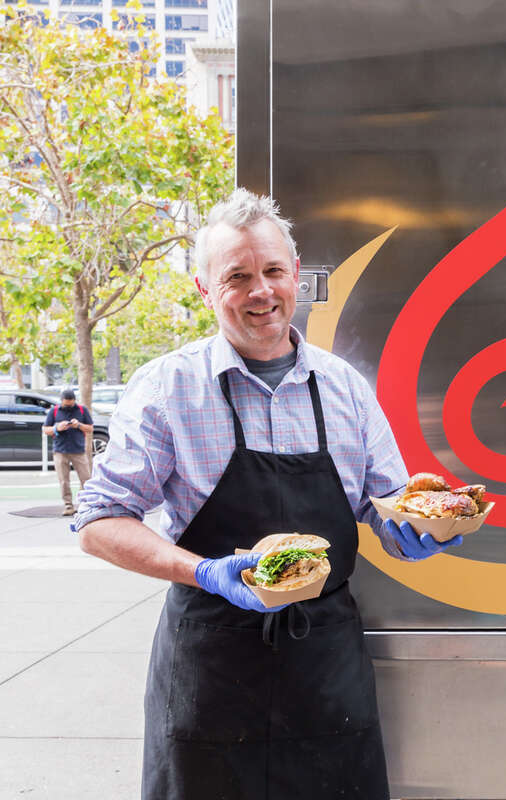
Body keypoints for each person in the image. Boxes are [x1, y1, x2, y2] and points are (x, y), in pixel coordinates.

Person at [74, 188, 461, 800]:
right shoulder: (168, 388)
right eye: (238, 276)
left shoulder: (345, 388)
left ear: (295, 276)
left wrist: (416, 530)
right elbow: (98, 521)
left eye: (274, 271)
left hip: (326, 672)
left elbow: (386, 500)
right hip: (212, 668)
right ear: (205, 290)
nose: (261, 291)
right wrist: (203, 571)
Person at [41, 388, 93, 515]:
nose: (69, 406)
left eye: (71, 403)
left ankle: (86, 504)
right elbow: (45, 429)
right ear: (61, 401)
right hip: (60, 450)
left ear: (75, 400)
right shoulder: (54, 411)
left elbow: (90, 428)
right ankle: (68, 505)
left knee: (86, 478)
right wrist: (57, 428)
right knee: (64, 480)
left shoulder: (82, 410)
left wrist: (78, 425)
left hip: (78, 450)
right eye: (66, 404)